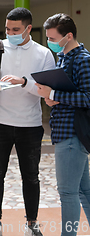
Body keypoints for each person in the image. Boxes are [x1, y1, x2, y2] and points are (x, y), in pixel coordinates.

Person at [0, 7, 55, 236]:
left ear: (28, 29)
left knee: (31, 176)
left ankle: (32, 224)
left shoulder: (43, 54)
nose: (10, 33)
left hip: (30, 125)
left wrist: (24, 82)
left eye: (15, 29)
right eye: (7, 28)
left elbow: (48, 93)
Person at [35, 13, 90, 236]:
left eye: (53, 38)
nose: (50, 43)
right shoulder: (64, 58)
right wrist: (53, 97)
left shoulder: (83, 60)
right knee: (84, 190)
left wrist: (54, 93)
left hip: (73, 133)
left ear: (68, 36)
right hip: (65, 132)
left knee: (67, 193)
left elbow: (88, 98)